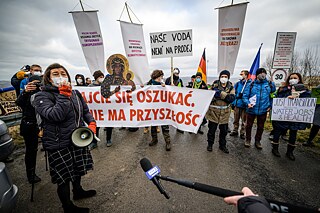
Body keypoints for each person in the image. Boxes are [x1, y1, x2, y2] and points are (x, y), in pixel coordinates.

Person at [33, 63, 96, 212]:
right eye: (55, 74)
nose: (60, 76)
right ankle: (67, 206)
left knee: (78, 169)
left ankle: (78, 191)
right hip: (58, 143)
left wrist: (92, 123)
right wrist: (63, 95)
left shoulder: (75, 93)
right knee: (64, 176)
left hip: (77, 139)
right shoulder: (42, 96)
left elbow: (85, 111)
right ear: (47, 78)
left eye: (63, 73)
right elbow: (55, 115)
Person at [271, 73, 311, 160]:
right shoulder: (283, 89)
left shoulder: (304, 90)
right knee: (277, 131)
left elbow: (308, 100)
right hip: (283, 115)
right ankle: (275, 148)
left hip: (295, 117)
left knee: (293, 133)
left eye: (295, 78)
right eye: (291, 78)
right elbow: (278, 99)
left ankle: (290, 152)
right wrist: (287, 98)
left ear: (299, 79)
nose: (292, 79)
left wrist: (299, 96)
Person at [101, 54, 135, 147]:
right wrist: (113, 91)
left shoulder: (126, 79)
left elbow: (133, 90)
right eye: (115, 66)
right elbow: (104, 92)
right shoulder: (108, 78)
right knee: (109, 122)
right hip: (110, 105)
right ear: (112, 67)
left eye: (119, 66)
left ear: (122, 67)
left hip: (123, 106)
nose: (117, 68)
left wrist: (131, 90)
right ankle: (108, 139)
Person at [16, 75, 42, 184]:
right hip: (29, 124)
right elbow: (19, 103)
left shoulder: (42, 93)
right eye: (33, 83)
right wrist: (26, 92)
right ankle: (30, 173)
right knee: (31, 150)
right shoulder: (26, 94)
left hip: (40, 123)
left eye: (38, 83)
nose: (36, 85)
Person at [243, 68, 275, 149]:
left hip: (263, 110)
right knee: (248, 126)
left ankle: (258, 141)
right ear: (257, 75)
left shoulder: (270, 84)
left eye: (264, 73)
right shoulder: (251, 84)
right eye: (261, 73)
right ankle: (248, 140)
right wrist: (248, 103)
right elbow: (245, 96)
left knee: (260, 127)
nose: (263, 74)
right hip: (251, 109)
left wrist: (270, 106)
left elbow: (273, 96)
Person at [206, 70, 235, 154]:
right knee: (211, 130)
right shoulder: (214, 85)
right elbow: (210, 96)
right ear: (219, 77)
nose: (224, 78)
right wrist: (225, 95)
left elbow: (231, 99)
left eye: (226, 77)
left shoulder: (231, 87)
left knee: (224, 131)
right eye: (222, 76)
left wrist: (219, 93)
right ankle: (210, 144)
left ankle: (222, 145)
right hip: (213, 112)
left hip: (225, 113)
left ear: (228, 78)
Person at [147, 69, 172, 151]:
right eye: (160, 77)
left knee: (165, 126)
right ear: (155, 77)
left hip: (162, 109)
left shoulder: (163, 85)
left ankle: (168, 142)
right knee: (153, 125)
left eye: (161, 77)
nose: (161, 79)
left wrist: (167, 88)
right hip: (153, 109)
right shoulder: (149, 84)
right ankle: (154, 139)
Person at [230, 70, 251, 140]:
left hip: (245, 106)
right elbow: (233, 93)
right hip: (237, 104)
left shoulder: (250, 84)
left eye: (242, 74)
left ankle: (242, 132)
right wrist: (233, 103)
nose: (241, 75)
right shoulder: (238, 84)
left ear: (246, 75)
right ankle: (235, 130)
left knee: (244, 121)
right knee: (236, 119)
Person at [87, 70, 105, 150]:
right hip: (95, 110)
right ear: (96, 77)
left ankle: (108, 139)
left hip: (105, 108)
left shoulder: (105, 85)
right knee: (96, 126)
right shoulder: (90, 87)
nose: (102, 78)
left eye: (102, 77)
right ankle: (94, 142)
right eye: (100, 77)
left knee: (109, 125)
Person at [165, 68, 184, 134]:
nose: (177, 74)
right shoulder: (168, 80)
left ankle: (178, 127)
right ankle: (166, 126)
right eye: (175, 73)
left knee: (178, 114)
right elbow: (164, 88)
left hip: (177, 100)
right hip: (169, 100)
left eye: (178, 73)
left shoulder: (180, 80)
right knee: (168, 113)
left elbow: (182, 88)